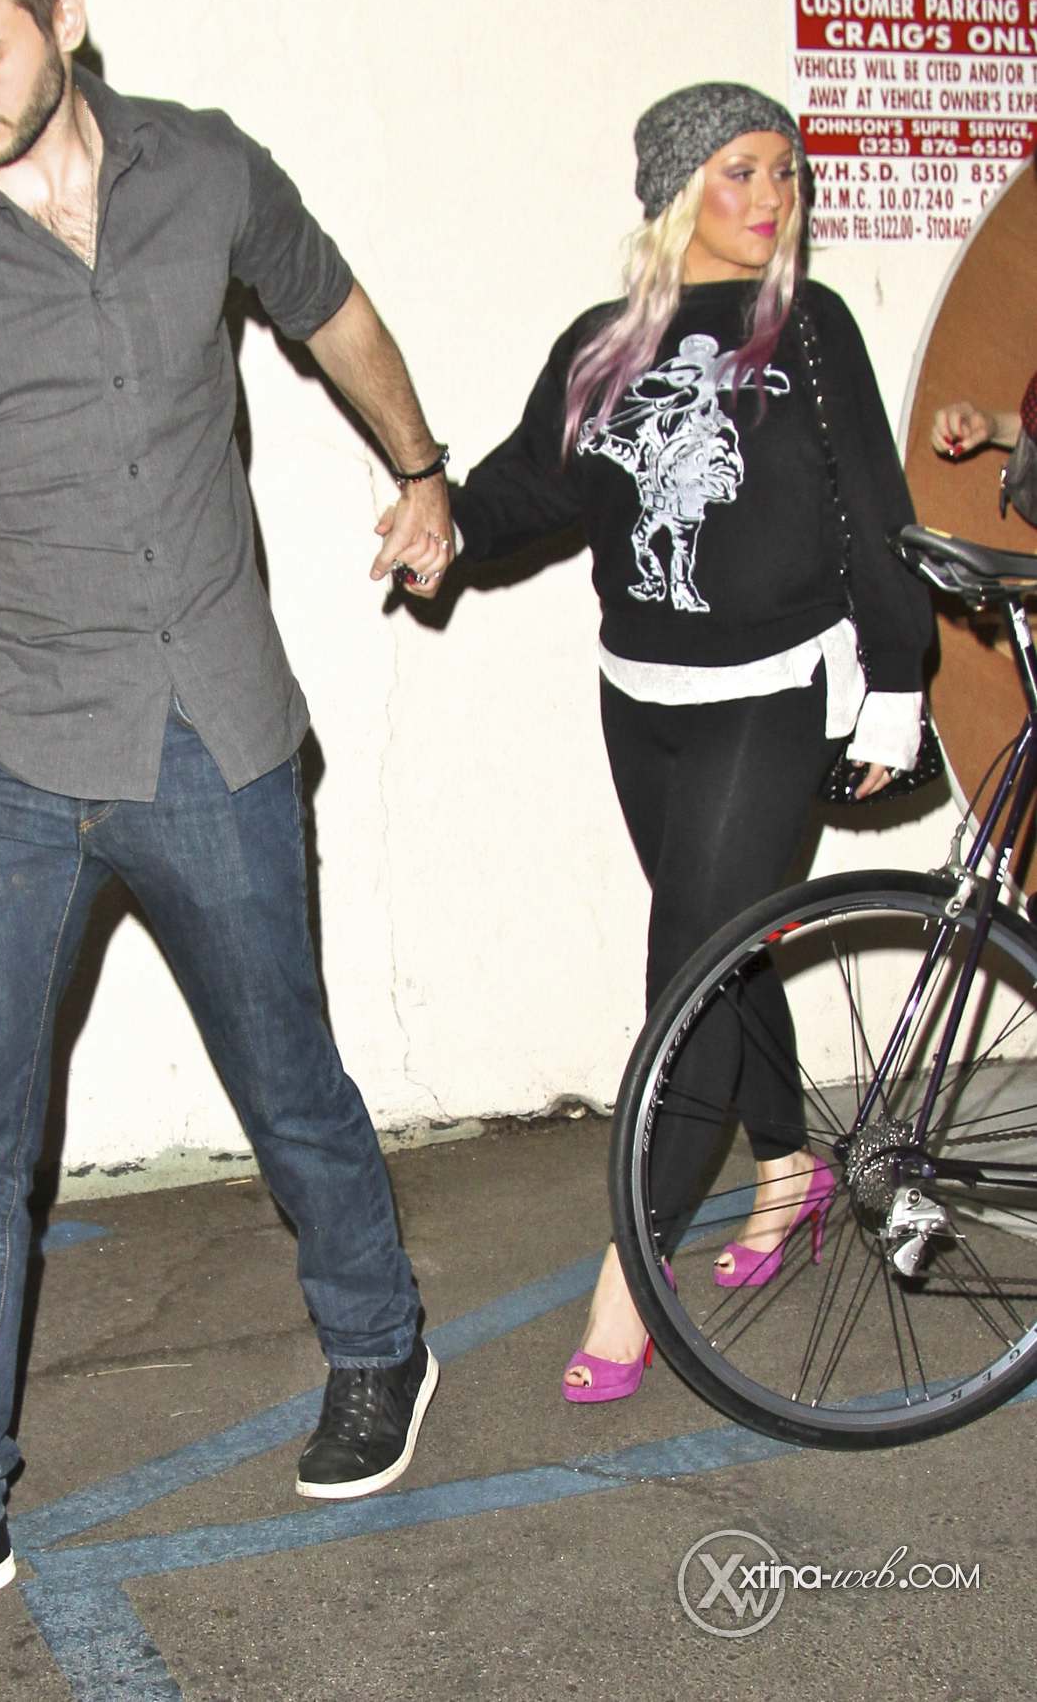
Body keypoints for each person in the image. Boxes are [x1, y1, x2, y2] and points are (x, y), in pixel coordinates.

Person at [0, 0, 450, 1659]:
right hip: (6, 750)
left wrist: (422, 466)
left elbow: (334, 308)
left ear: (65, 16)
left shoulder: (208, 169)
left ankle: (381, 1345)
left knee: (288, 1079)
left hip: (215, 729)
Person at [440, 83, 933, 1401]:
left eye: (785, 171)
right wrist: (448, 522)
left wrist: (897, 678)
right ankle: (789, 1169)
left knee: (689, 972)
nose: (773, 196)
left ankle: (633, 1268)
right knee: (729, 945)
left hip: (773, 688)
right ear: (674, 190)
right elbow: (533, 482)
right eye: (739, 171)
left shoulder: (808, 328)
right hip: (641, 693)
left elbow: (875, 502)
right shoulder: (603, 343)